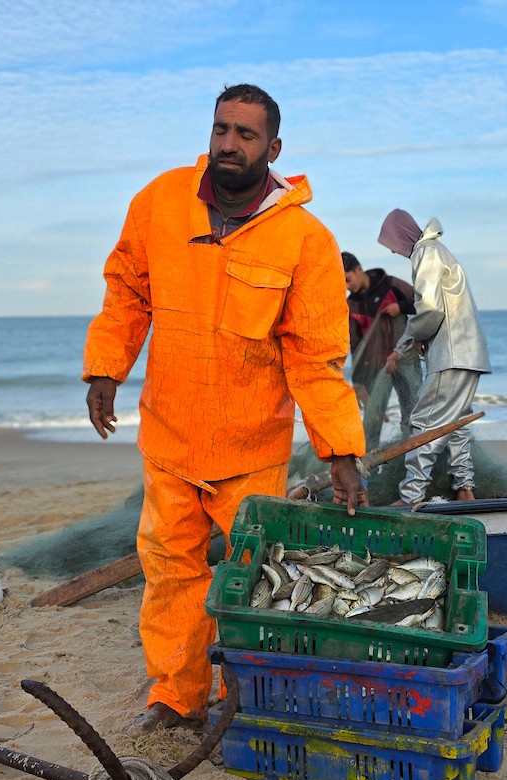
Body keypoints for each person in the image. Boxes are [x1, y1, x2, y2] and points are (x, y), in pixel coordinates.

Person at [83, 84, 368, 734]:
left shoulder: (305, 240)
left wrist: (341, 451)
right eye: (221, 129)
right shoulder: (160, 202)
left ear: (274, 147)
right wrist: (105, 367)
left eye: (244, 133)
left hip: (250, 449)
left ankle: (243, 696)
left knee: (253, 578)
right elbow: (127, 289)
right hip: (170, 439)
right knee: (169, 575)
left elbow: (314, 359)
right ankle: (176, 699)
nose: (228, 144)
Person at [378, 209, 490, 505]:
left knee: (425, 421)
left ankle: (411, 495)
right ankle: (465, 490)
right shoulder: (438, 250)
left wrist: (415, 338)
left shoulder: (424, 252)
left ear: (401, 235)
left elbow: (429, 309)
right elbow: (427, 310)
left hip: (451, 354)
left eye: (390, 242)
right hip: (468, 353)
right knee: (454, 424)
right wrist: (404, 346)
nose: (392, 249)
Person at [343, 251, 421, 446]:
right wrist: (359, 382)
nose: (346, 287)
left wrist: (400, 307)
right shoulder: (351, 304)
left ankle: (412, 460)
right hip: (377, 369)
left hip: (403, 361)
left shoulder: (391, 285)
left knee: (412, 414)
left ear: (359, 270)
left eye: (348, 279)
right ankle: (367, 468)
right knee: (372, 420)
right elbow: (356, 345)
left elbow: (424, 304)